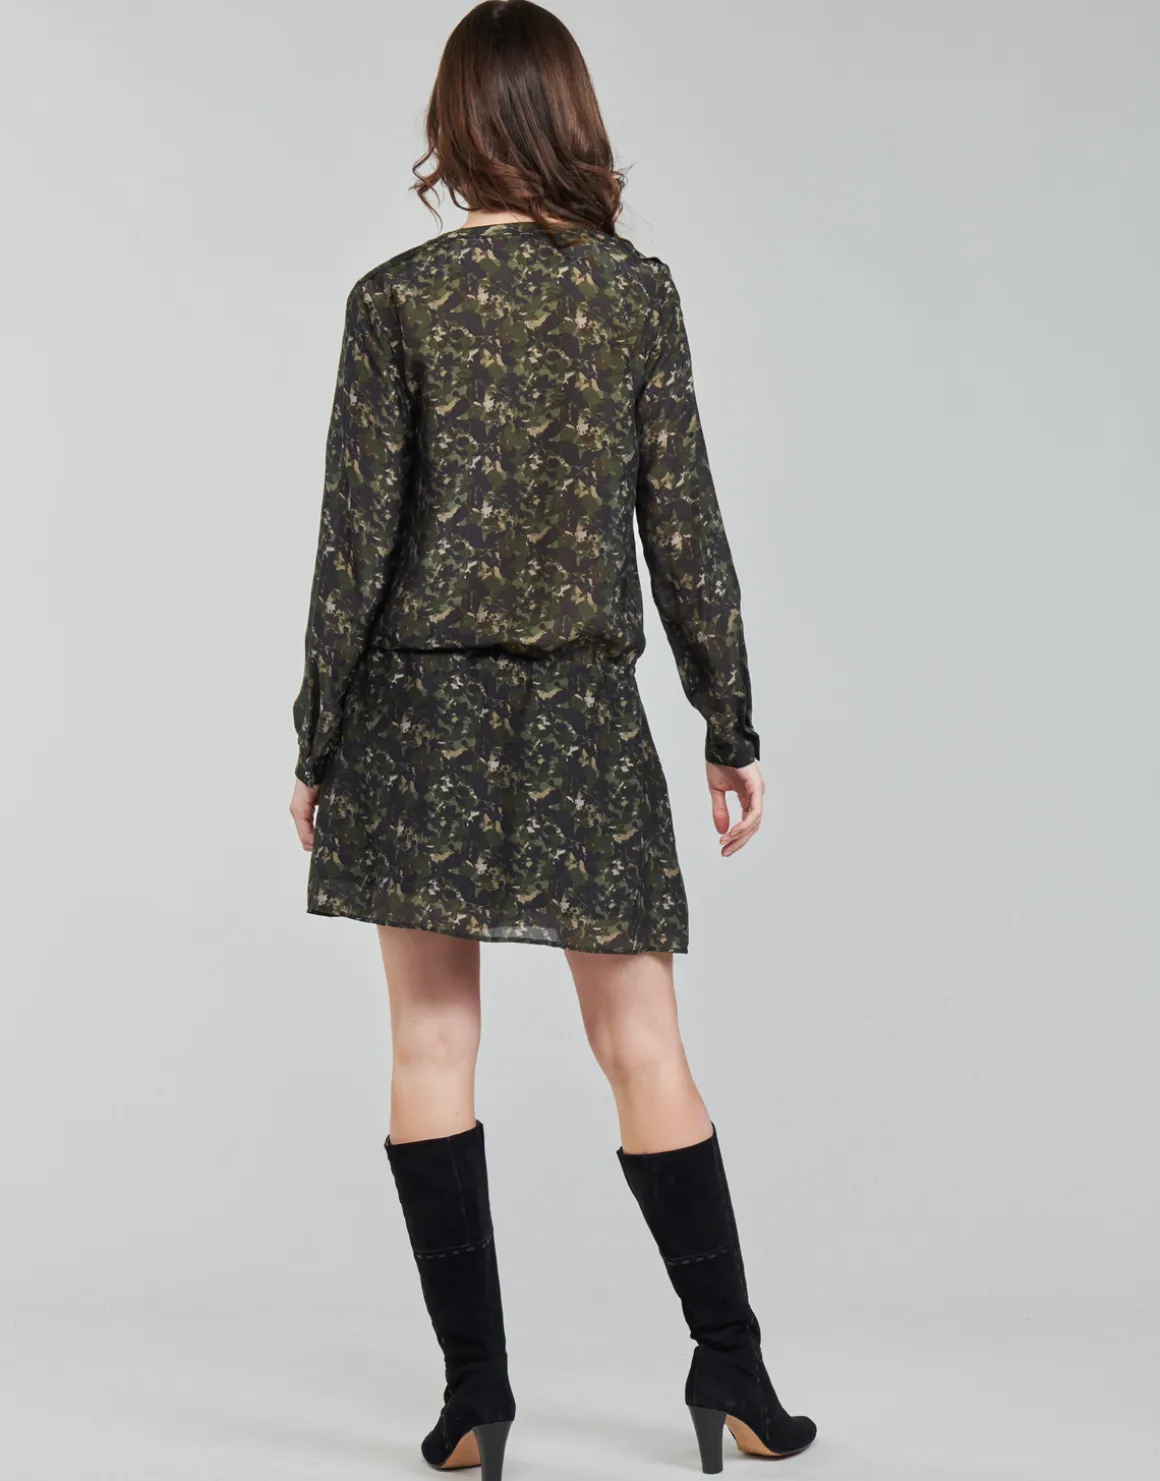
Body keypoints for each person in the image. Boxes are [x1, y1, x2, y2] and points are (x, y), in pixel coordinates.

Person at [289, 3, 816, 1475]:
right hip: (585, 710)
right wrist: (728, 721)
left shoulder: (396, 300)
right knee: (641, 1042)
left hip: (419, 710)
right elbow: (684, 525)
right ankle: (734, 1369)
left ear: (456, 127)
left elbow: (353, 547)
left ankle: (476, 1402)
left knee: (430, 1041)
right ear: (570, 121)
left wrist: (319, 740)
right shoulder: (633, 298)